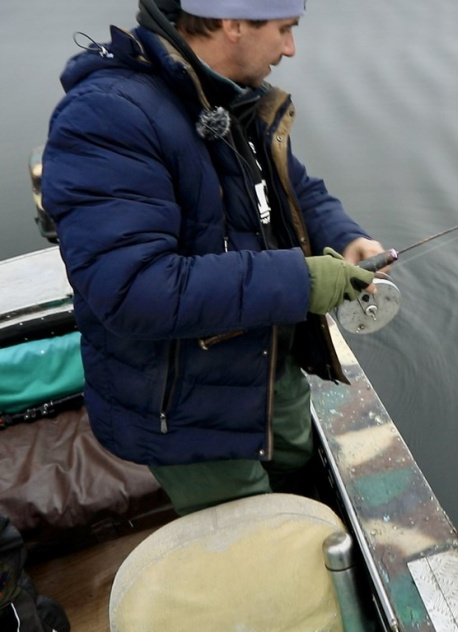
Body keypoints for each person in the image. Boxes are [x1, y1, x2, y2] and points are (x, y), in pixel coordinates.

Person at [41, 0, 388, 515]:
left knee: (297, 473)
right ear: (232, 24)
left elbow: (298, 190)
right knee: (254, 554)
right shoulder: (108, 115)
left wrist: (347, 236)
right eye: (284, 30)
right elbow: (133, 290)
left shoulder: (236, 97)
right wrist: (301, 280)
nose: (290, 49)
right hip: (185, 412)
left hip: (268, 362)